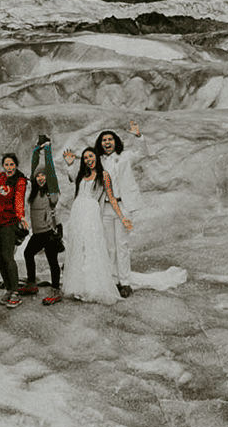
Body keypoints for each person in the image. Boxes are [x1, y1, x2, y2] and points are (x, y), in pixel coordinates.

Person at [59, 145, 128, 304]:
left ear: (96, 157)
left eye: (91, 157)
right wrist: (70, 163)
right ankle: (78, 285)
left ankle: (93, 286)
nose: (89, 160)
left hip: (91, 212)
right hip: (78, 212)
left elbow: (111, 198)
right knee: (78, 246)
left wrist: (122, 217)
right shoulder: (82, 174)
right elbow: (71, 176)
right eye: (85, 158)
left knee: (91, 246)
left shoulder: (103, 175)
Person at [96, 121, 143, 296]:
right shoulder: (98, 160)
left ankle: (125, 282)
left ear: (115, 141)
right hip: (106, 207)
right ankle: (113, 280)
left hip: (123, 205)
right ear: (100, 143)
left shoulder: (125, 156)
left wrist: (138, 136)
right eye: (104, 140)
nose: (107, 142)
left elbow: (142, 152)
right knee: (109, 246)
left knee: (122, 244)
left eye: (110, 139)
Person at [21, 141, 64, 303]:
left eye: (43, 175)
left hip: (49, 232)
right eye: (38, 176)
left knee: (52, 261)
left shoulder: (52, 192)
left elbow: (51, 171)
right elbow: (33, 170)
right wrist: (35, 152)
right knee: (28, 253)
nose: (40, 178)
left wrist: (47, 150)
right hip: (38, 233)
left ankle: (55, 291)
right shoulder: (34, 191)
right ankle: (32, 283)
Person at [0, 152, 28, 306]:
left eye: (12, 164)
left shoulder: (20, 180)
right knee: (0, 257)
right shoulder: (0, 177)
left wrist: (21, 217)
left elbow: (19, 200)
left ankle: (16, 291)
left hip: (9, 224)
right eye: (6, 164)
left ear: (16, 165)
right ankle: (8, 289)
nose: (9, 167)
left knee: (8, 257)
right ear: (3, 165)